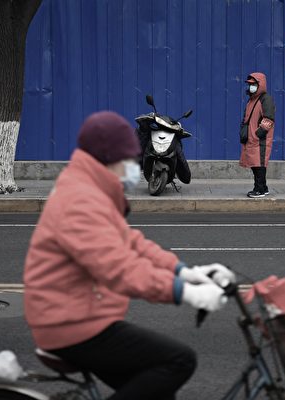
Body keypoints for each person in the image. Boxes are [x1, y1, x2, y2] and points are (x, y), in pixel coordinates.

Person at [23, 111, 234, 400]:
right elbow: (119, 268)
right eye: (129, 160)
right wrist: (185, 293)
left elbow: (131, 243)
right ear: (108, 159)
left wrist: (183, 271)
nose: (134, 167)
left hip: (82, 314)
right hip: (70, 323)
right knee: (178, 361)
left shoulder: (90, 191)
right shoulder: (80, 201)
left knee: (156, 391)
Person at [239, 72, 276, 198]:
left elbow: (269, 118)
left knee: (259, 164)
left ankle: (259, 189)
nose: (251, 87)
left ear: (260, 84)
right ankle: (263, 187)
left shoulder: (266, 99)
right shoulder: (252, 100)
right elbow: (246, 118)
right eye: (249, 84)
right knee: (255, 164)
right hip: (252, 138)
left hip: (261, 140)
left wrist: (258, 133)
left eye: (253, 84)